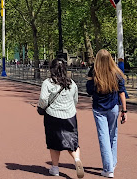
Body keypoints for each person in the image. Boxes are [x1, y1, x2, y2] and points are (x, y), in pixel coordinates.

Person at [38, 58, 83, 178]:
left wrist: (41, 107)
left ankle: (55, 168)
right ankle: (77, 159)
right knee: (72, 141)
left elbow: (43, 99)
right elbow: (75, 99)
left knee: (54, 142)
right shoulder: (72, 83)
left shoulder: (48, 83)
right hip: (70, 116)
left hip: (53, 115)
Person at [86, 49, 127, 178]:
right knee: (113, 135)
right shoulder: (116, 73)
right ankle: (112, 162)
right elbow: (122, 92)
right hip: (113, 107)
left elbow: (89, 91)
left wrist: (90, 79)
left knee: (103, 137)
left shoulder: (94, 72)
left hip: (99, 108)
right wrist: (124, 110)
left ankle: (108, 168)